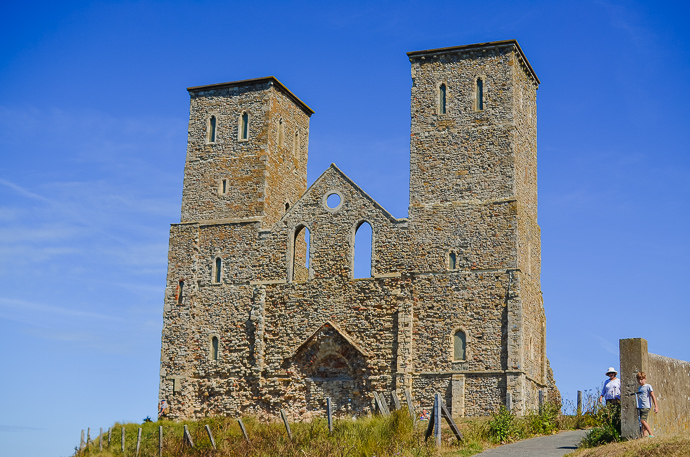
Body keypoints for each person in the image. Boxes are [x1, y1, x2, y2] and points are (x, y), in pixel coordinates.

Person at [635, 371, 658, 438]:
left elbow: (653, 396)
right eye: (638, 379)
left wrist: (656, 406)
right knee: (642, 423)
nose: (640, 381)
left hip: (646, 406)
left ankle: (651, 434)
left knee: (643, 420)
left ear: (645, 379)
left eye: (641, 379)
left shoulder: (648, 386)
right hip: (640, 406)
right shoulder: (639, 388)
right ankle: (644, 436)